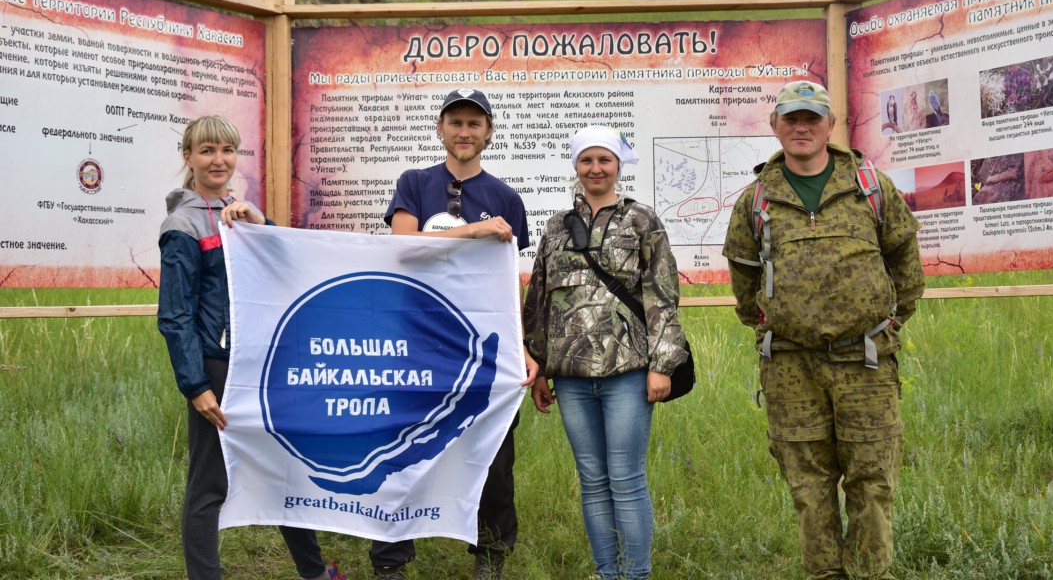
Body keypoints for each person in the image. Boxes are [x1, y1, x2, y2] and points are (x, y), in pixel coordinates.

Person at [722, 81, 924, 580]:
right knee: (809, 488)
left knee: (872, 482)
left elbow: (907, 266)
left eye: (812, 117)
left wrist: (885, 321)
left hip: (866, 363)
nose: (801, 127)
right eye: (791, 118)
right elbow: (745, 286)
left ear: (830, 125)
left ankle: (870, 573)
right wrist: (780, 323)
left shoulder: (871, 188)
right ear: (775, 127)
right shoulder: (755, 201)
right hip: (791, 367)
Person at [156, 115, 344, 580]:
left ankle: (316, 574)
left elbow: (282, 264)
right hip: (218, 369)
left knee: (283, 470)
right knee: (210, 484)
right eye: (206, 151)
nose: (217, 159)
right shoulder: (181, 224)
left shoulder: (240, 210)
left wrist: (262, 224)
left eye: (226, 150)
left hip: (259, 363)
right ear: (188, 158)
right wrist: (196, 385)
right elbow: (175, 315)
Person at [378, 88, 535, 580]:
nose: (464, 132)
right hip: (416, 341)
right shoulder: (414, 183)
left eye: (474, 123)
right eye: (456, 122)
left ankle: (489, 557)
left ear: (488, 132)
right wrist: (472, 230)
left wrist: (522, 345)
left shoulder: (506, 197)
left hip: (482, 346)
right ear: (440, 129)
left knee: (491, 454)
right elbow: (402, 247)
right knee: (400, 450)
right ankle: (391, 560)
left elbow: (512, 280)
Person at [522, 125, 688, 580]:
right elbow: (539, 299)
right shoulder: (556, 227)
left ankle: (636, 575)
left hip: (629, 373)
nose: (595, 168)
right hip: (571, 377)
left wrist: (662, 365)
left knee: (627, 480)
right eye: (586, 160)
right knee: (593, 483)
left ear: (617, 166)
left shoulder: (642, 221)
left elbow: (662, 296)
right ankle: (605, 572)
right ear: (576, 166)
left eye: (604, 160)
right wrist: (537, 367)